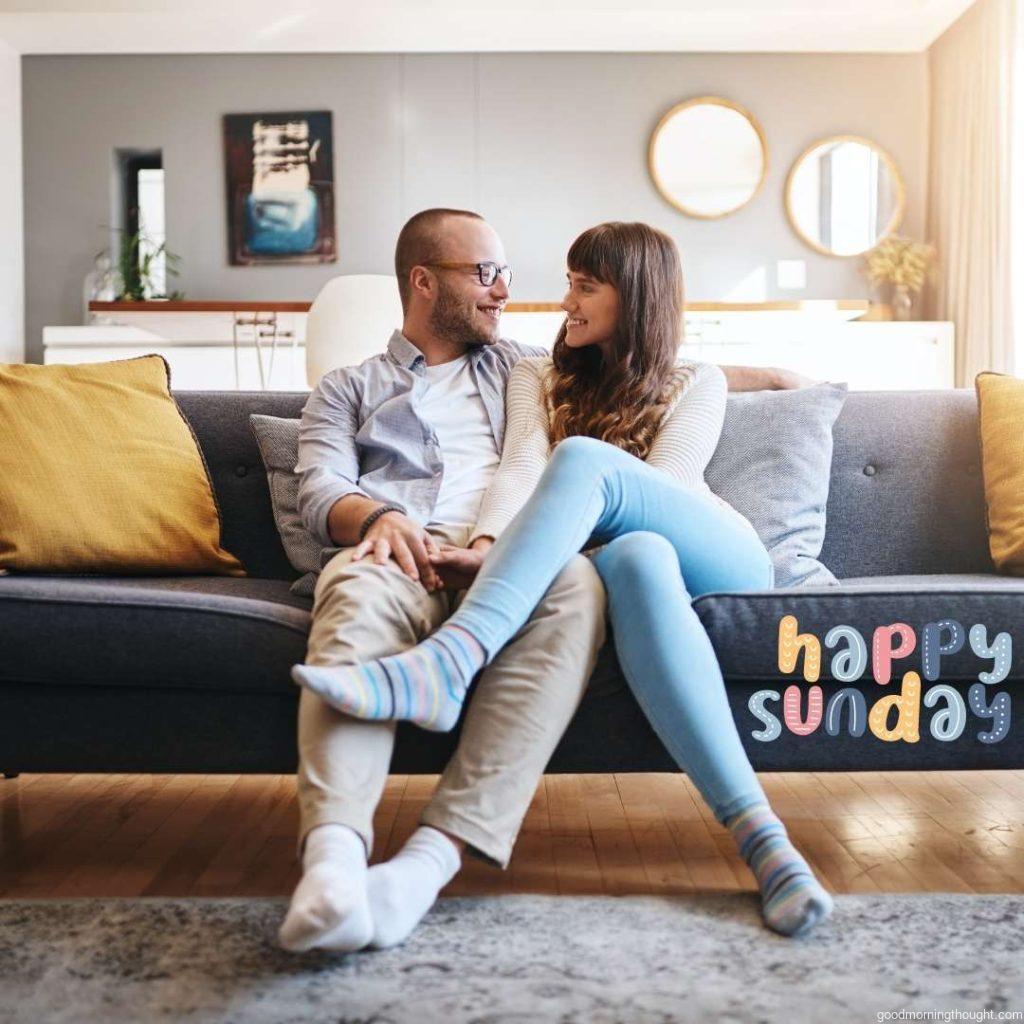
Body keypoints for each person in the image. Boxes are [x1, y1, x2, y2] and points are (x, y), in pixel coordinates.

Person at [293, 221, 834, 939]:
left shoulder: (686, 380)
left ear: (632, 297)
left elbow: (666, 476)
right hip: (597, 552)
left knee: (583, 468)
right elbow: (517, 467)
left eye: (582, 286)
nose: (541, 298)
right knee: (632, 558)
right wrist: (464, 538)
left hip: (711, 546)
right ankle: (770, 850)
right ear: (425, 280)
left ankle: (453, 660)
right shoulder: (528, 373)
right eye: (489, 271)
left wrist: (775, 378)